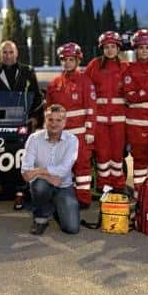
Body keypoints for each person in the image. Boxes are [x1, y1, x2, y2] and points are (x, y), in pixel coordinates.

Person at [45, 42, 97, 207]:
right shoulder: (54, 84)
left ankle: (83, 200)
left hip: (80, 134)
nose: (67, 63)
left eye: (71, 59)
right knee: (61, 167)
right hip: (61, 135)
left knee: (82, 168)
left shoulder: (85, 81)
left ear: (78, 60)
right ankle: (62, 200)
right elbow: (49, 111)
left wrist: (90, 131)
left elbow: (91, 108)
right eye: (64, 59)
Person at [21, 104, 81, 235]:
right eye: (50, 119)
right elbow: (26, 172)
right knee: (40, 186)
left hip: (63, 186)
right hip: (43, 184)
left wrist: (38, 171)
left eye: (58, 120)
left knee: (72, 228)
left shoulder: (72, 140)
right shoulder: (34, 139)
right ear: (45, 120)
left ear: (64, 122)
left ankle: (55, 207)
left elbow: (64, 170)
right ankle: (40, 219)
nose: (54, 124)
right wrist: (48, 177)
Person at [85, 30, 128, 190]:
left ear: (118, 48)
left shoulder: (125, 67)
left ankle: (119, 186)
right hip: (100, 121)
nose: (110, 50)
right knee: (102, 156)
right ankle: (104, 187)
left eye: (113, 46)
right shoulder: (94, 65)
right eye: (106, 47)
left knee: (117, 156)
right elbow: (85, 87)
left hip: (119, 121)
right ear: (102, 49)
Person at [123, 29, 148, 198]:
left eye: (147, 47)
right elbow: (131, 96)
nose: (144, 51)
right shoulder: (129, 71)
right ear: (135, 49)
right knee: (140, 161)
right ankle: (139, 195)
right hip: (137, 125)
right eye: (140, 47)